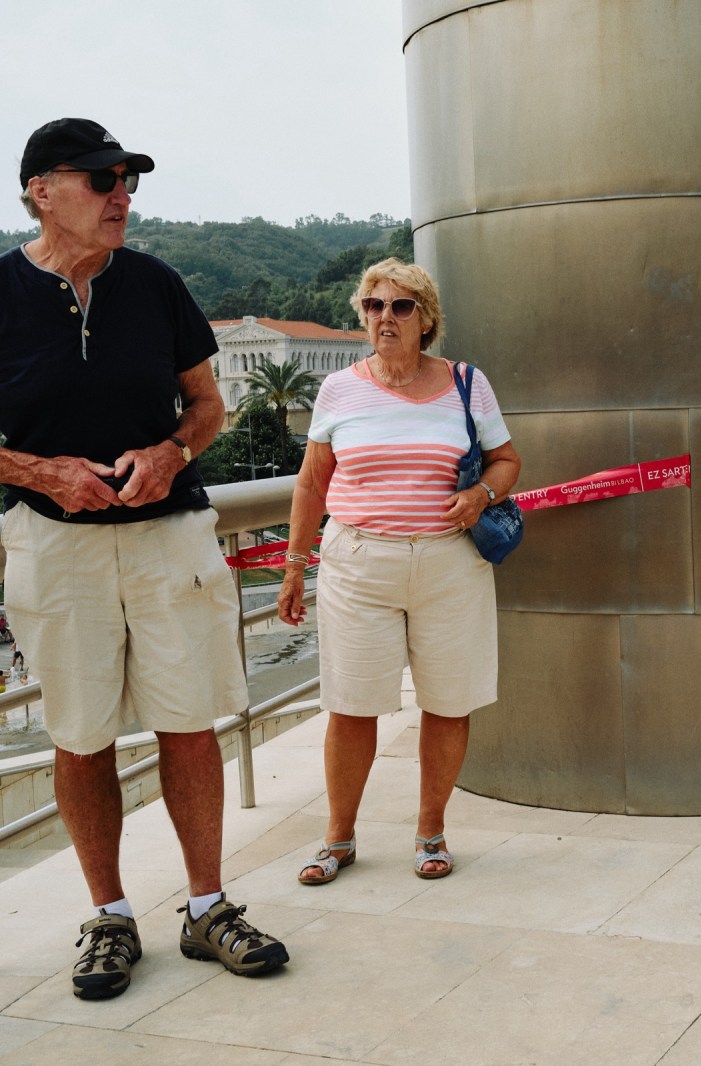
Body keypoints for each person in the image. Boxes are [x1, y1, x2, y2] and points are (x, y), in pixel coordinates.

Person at [0, 117, 286, 1000]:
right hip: (56, 549)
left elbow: (207, 406)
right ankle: (110, 919)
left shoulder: (157, 285)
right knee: (80, 736)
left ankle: (208, 908)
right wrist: (37, 471)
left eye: (128, 181)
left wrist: (172, 452)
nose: (122, 196)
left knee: (190, 721)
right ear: (42, 190)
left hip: (170, 539)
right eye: (102, 181)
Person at [276, 258, 521, 885]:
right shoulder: (339, 391)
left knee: (448, 702)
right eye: (374, 306)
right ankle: (337, 839)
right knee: (352, 706)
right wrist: (295, 564)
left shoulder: (468, 383)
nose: (386, 317)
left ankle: (431, 829)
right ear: (363, 315)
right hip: (358, 565)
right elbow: (311, 483)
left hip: (449, 563)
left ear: (426, 317)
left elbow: (506, 460)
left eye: (401, 306)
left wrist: (481, 497)